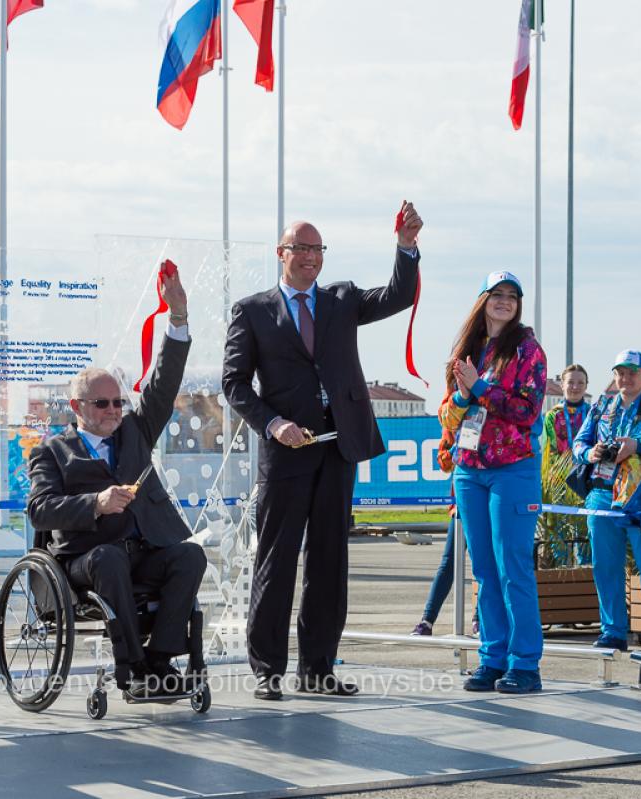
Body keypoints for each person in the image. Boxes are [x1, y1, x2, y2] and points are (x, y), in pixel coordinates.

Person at [222, 203, 423, 700]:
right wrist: (273, 424)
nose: (311, 258)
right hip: (287, 452)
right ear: (281, 253)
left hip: (338, 447)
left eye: (317, 249)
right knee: (277, 561)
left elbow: (399, 295)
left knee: (329, 564)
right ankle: (268, 670)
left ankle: (318, 668)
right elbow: (235, 384)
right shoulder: (252, 311)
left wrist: (405, 247)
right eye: (301, 248)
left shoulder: (342, 299)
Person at [27, 269, 207, 696]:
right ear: (77, 406)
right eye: (102, 403)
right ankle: (131, 667)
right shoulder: (52, 451)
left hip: (143, 550)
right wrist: (95, 502)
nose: (113, 410)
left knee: (189, 556)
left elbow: (163, 384)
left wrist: (177, 317)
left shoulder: (135, 431)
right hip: (86, 559)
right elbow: (39, 509)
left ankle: (161, 660)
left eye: (117, 402)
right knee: (108, 557)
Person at [438, 270, 547, 694]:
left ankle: (525, 664)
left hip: (512, 469)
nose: (504, 301)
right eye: (496, 294)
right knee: (483, 570)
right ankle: (492, 656)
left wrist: (481, 388)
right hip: (469, 468)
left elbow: (527, 411)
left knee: (512, 568)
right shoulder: (468, 348)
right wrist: (465, 395)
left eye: (512, 296)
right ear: (482, 300)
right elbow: (449, 410)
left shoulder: (527, 349)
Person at [573, 350, 641, 655]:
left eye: (633, 372)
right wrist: (591, 453)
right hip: (602, 493)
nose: (626, 378)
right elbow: (579, 443)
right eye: (620, 372)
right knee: (606, 567)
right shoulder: (600, 407)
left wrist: (638, 445)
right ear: (614, 376)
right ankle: (612, 631)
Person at [410, 429, 479, 637]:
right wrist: (455, 450)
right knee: (449, 563)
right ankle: (427, 620)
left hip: (487, 502)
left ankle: (480, 619)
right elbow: (445, 464)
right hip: (461, 506)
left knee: (483, 563)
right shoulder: (454, 424)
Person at [539, 364, 592, 566]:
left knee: (586, 535)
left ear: (586, 386)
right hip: (559, 485)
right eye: (571, 382)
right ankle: (563, 577)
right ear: (562, 385)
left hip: (586, 482)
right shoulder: (553, 416)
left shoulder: (593, 414)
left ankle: (585, 576)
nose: (575, 387)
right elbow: (548, 452)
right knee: (559, 536)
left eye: (580, 382)